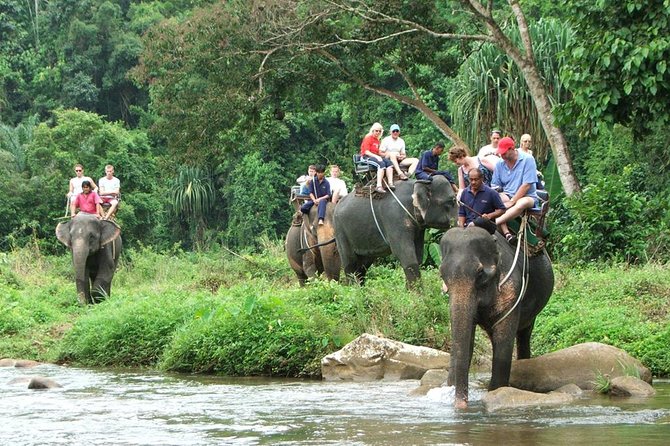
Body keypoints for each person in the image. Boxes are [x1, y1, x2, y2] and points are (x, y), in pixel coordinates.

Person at [491, 136, 540, 243]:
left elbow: (526, 185)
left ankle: (495, 222)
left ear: (512, 149)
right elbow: (495, 185)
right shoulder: (500, 164)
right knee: (494, 199)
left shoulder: (527, 159)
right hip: (507, 194)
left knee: (522, 203)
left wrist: (512, 201)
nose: (502, 155)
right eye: (500, 153)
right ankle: (506, 232)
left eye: (504, 152)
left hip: (527, 196)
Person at [458, 168, 506, 234]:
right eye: (471, 179)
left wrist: (490, 216)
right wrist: (461, 227)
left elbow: (502, 209)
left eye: (476, 179)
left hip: (486, 225)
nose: (473, 182)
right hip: (468, 225)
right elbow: (461, 213)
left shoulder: (491, 192)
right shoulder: (464, 192)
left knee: (481, 220)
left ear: (482, 178)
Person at [360, 122, 395, 193]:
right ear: (372, 130)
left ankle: (390, 183)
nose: (378, 132)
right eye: (376, 131)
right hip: (366, 157)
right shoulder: (368, 138)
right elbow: (367, 152)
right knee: (381, 164)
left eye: (379, 131)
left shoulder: (377, 140)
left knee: (389, 163)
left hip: (375, 156)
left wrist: (387, 154)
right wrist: (377, 157)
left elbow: (378, 152)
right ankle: (379, 186)